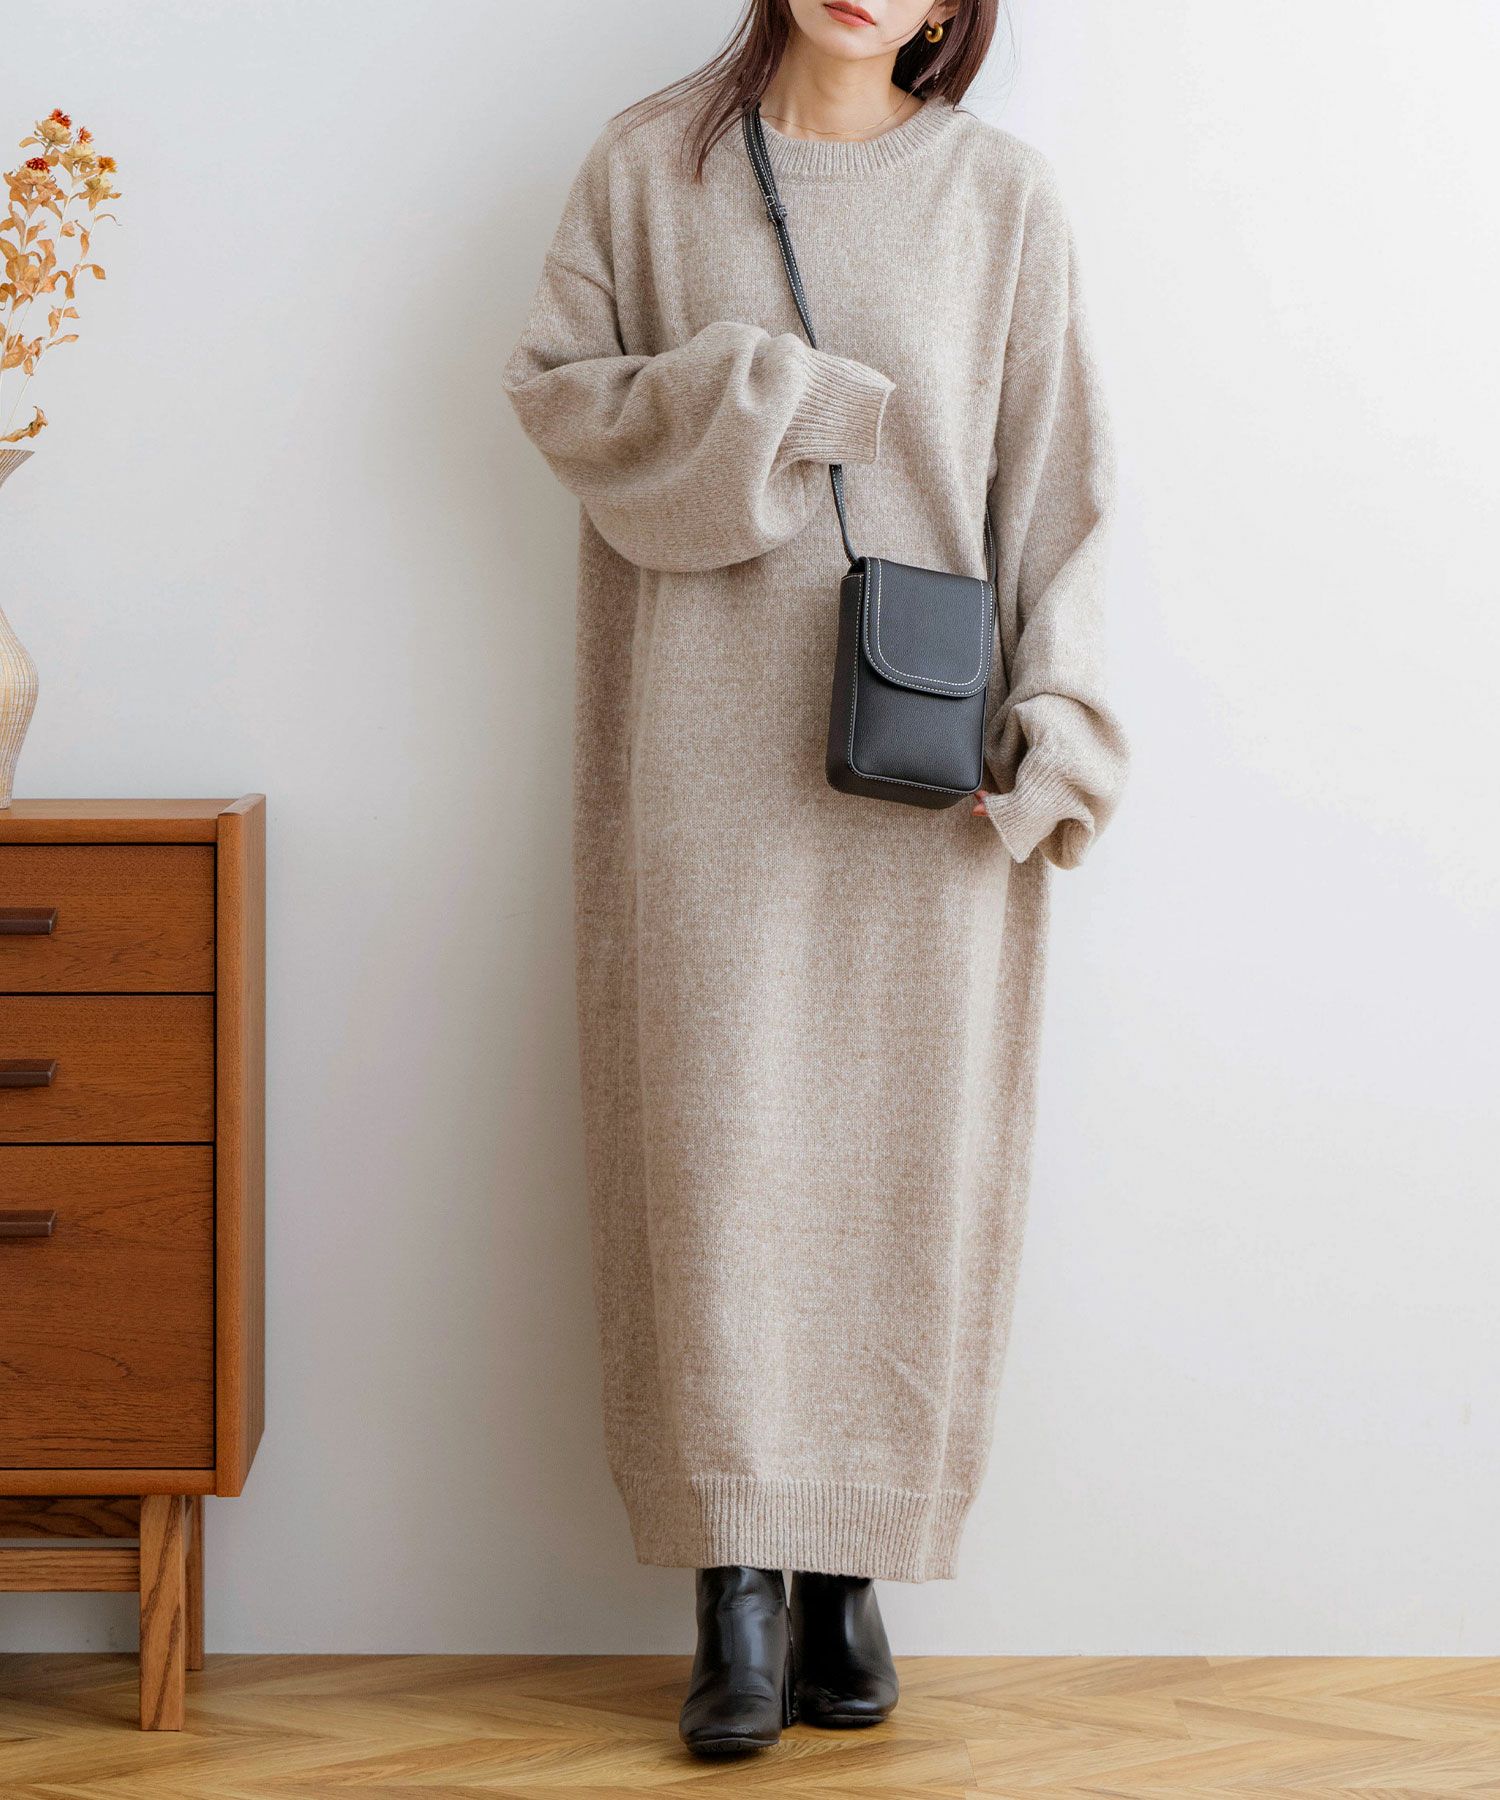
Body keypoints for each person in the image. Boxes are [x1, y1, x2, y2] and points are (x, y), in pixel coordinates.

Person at [502, 0, 1130, 1758]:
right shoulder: (652, 166)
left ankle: (853, 1570)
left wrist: (1064, 724)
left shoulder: (1001, 198)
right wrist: (772, 395)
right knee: (711, 1158)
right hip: (699, 753)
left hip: (925, 773)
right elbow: (556, 397)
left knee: (900, 1161)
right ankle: (735, 1590)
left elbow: (1057, 491)